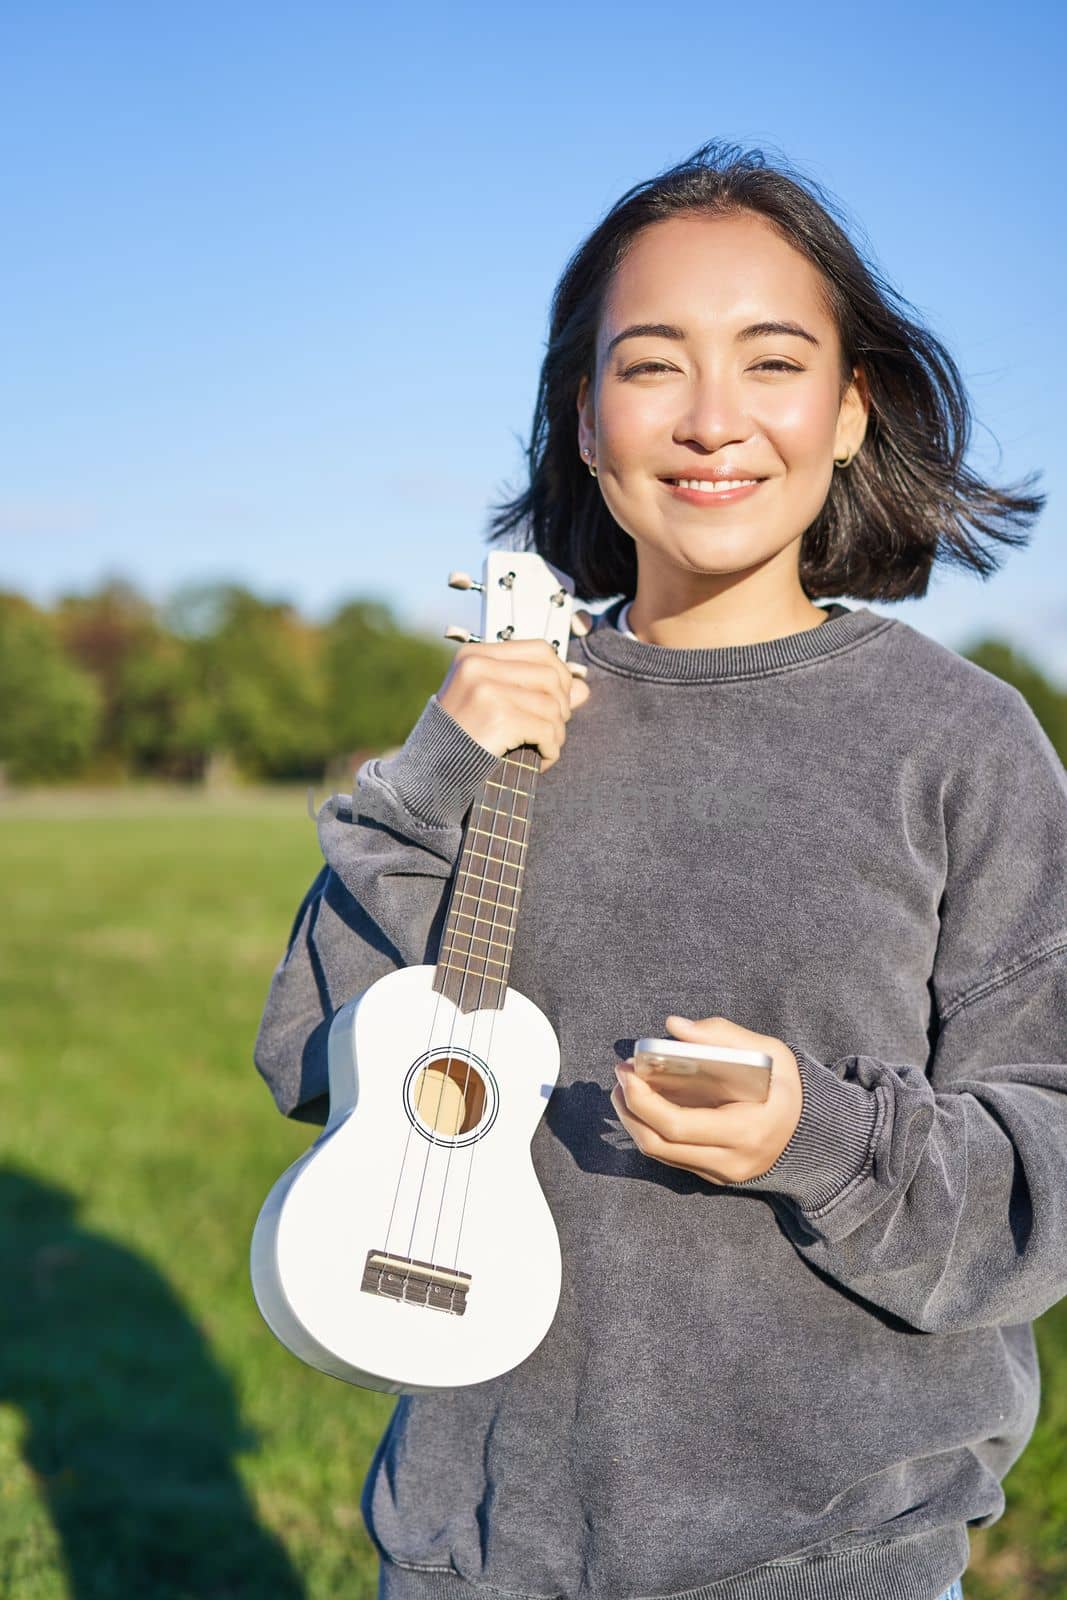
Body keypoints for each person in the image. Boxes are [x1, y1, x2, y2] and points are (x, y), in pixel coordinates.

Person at [253, 140, 1066, 1600]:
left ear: (847, 408)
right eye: (649, 366)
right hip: (475, 1549)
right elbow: (310, 1053)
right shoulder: (502, 730)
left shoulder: (962, 744)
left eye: (771, 361)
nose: (710, 421)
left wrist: (816, 1138)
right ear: (581, 417)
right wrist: (429, 778)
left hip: (833, 1560)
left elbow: (1045, 1180)